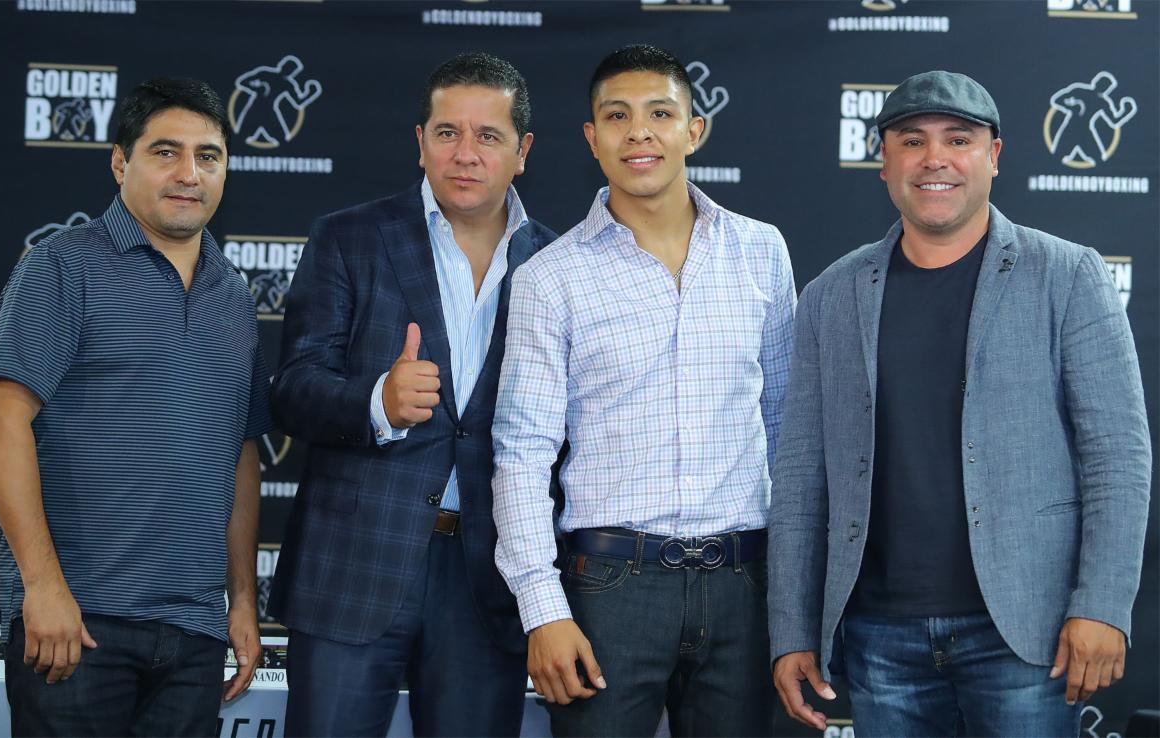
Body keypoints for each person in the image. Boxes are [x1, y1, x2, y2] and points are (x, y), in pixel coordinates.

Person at [768, 70, 1151, 737]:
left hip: (1028, 633)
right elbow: (801, 476)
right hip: (879, 637)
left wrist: (1102, 604)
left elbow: (1117, 457)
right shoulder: (830, 295)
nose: (934, 158)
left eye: (958, 139)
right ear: (884, 160)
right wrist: (792, 630)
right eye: (912, 140)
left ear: (993, 156)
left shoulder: (1067, 275)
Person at [492, 44, 795, 738]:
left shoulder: (761, 252)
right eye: (617, 116)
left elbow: (787, 432)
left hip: (746, 584)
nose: (639, 133)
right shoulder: (550, 278)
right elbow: (521, 455)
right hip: (609, 589)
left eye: (660, 113)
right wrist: (543, 609)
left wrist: (794, 596)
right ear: (592, 138)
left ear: (695, 130)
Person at [268, 52, 556, 737]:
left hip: (489, 579)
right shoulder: (349, 238)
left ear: (522, 151)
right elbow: (292, 391)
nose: (466, 153)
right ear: (420, 141)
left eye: (488, 136)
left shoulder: (558, 264)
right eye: (447, 132)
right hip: (353, 569)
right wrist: (377, 403)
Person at [0, 77, 271, 736]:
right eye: (166, 152)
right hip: (77, 625)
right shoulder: (62, 267)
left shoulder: (233, 296)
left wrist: (243, 600)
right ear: (119, 162)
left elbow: (241, 455)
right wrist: (42, 588)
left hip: (194, 636)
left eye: (208, 156)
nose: (189, 173)